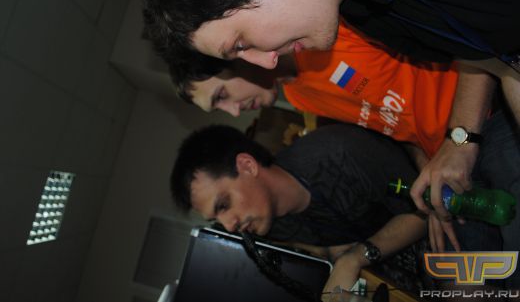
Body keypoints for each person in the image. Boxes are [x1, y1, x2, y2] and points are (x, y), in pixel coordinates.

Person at [143, 0, 520, 244]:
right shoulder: (360, 9)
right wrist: (433, 162)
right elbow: (490, 52)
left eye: (240, 44)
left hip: (485, 124)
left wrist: (460, 139)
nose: (265, 61)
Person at [171, 118, 520, 292]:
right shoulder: (267, 224)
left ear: (247, 165)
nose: (229, 224)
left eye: (223, 204)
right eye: (218, 218)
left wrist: (355, 257)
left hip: (448, 217)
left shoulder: (338, 153)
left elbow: (421, 207)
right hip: (400, 265)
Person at [171, 23, 459, 163]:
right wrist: (428, 169)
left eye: (222, 96)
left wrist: (459, 143)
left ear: (237, 56)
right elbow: (399, 126)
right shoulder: (298, 98)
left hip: (473, 121)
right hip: (449, 159)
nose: (234, 112)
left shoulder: (326, 31)